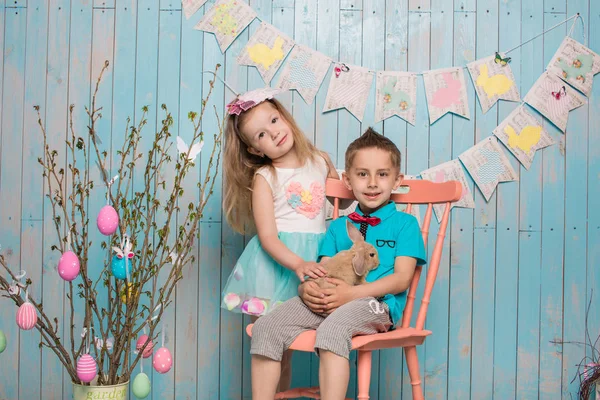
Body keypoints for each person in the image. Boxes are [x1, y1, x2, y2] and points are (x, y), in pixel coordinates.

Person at [250, 127, 427, 400]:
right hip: (330, 301)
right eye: (362, 174)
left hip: (377, 305)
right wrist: (306, 290)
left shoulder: (406, 224)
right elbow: (324, 271)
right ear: (347, 179)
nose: (372, 183)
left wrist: (351, 294)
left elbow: (401, 279)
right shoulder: (339, 227)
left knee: (332, 328)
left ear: (396, 180)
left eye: (382, 174)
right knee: (266, 326)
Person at [220, 88, 340, 391]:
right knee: (277, 347)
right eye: (261, 135)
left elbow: (342, 204)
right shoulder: (265, 178)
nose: (273, 133)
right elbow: (268, 237)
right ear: (256, 150)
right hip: (279, 265)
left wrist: (350, 182)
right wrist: (297, 263)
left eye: (274, 121)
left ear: (285, 116)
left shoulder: (320, 161)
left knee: (326, 337)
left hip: (318, 257)